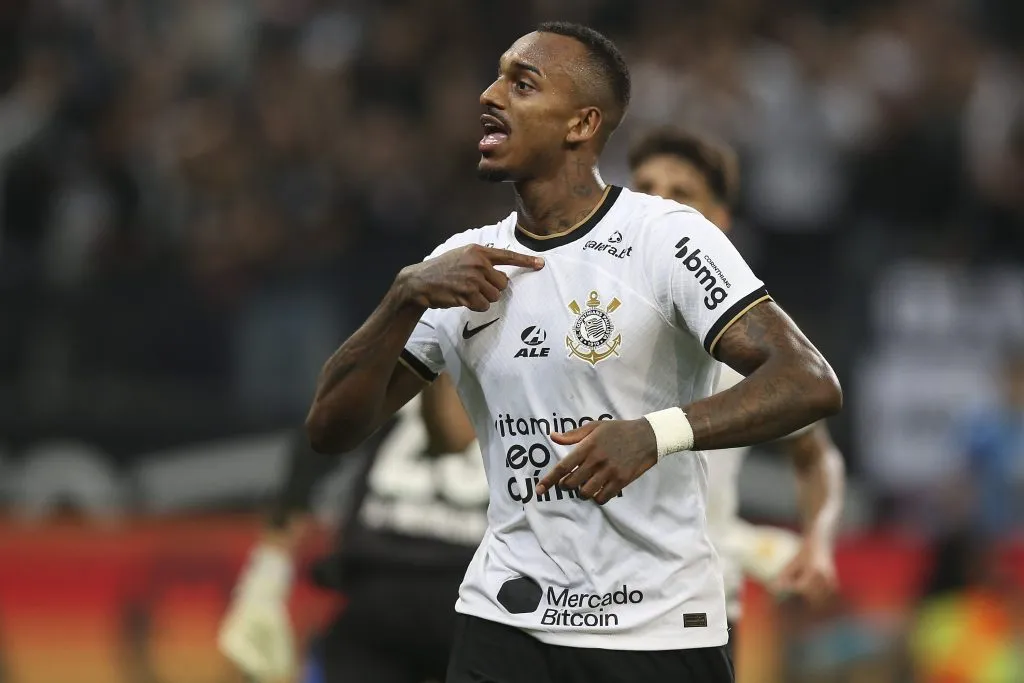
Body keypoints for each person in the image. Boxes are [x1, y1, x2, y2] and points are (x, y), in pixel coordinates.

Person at [305, 21, 842, 683]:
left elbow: (809, 379)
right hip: (503, 618)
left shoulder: (664, 237)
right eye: (496, 75)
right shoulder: (461, 262)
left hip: (656, 627)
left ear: (581, 124)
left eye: (520, 83)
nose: (488, 94)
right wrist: (401, 299)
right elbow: (331, 428)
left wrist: (654, 434)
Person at [628, 127, 846, 655]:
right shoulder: (582, 320)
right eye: (644, 188)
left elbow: (815, 457)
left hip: (697, 607)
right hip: (579, 606)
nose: (658, 204)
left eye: (681, 194)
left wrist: (818, 542)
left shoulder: (755, 351)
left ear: (718, 221)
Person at [219, 373, 488, 682]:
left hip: (389, 587)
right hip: (451, 591)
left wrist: (265, 580)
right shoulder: (529, 383)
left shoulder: (394, 371)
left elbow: (313, 453)